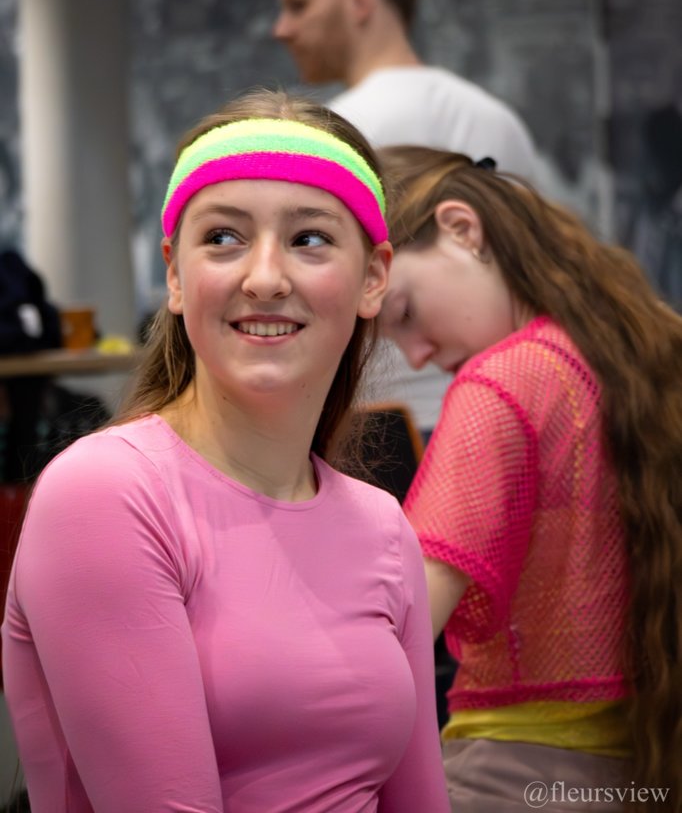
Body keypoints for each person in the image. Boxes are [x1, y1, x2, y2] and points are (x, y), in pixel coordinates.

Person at [1, 91, 450, 813]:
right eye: (223, 237)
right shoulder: (107, 494)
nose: (265, 277)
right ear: (176, 276)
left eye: (310, 239)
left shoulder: (383, 527)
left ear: (373, 277)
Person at [377, 145, 682, 812]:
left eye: (404, 315)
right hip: (645, 764)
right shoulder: (641, 362)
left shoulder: (501, 383)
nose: (417, 356)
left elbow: (402, 622)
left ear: (462, 228)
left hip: (510, 778)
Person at [273, 0, 537, 438]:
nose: (281, 28)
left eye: (298, 5)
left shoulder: (327, 139)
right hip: (503, 409)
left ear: (360, 1)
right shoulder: (496, 119)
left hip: (378, 430)